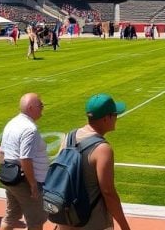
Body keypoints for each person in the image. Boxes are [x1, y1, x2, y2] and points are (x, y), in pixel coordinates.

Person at [54, 93, 131, 230]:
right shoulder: (102, 149)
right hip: (92, 222)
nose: (116, 118)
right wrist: (124, 226)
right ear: (106, 118)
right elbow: (108, 192)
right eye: (115, 114)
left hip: (67, 218)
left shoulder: (69, 137)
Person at [0, 93, 49, 230]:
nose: (42, 108)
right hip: (25, 181)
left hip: (10, 177)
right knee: (36, 221)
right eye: (41, 105)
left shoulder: (12, 123)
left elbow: (2, 152)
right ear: (31, 108)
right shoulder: (30, 129)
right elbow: (25, 159)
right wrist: (33, 185)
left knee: (11, 215)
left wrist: (4, 171)